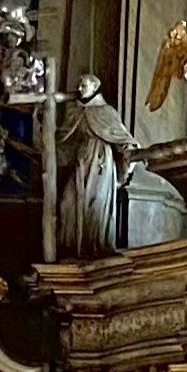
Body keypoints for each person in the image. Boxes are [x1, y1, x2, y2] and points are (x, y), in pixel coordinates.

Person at [57, 74, 137, 257]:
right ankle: (71, 249)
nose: (79, 89)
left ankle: (94, 249)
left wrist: (130, 153)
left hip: (100, 162)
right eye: (79, 85)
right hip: (81, 162)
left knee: (96, 206)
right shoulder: (76, 112)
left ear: (94, 88)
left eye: (83, 85)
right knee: (67, 203)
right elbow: (64, 140)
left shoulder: (105, 112)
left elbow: (122, 137)